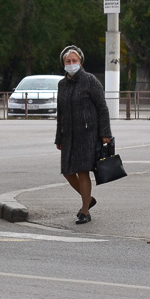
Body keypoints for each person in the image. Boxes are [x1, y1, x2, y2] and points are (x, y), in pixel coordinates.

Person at [54, 45, 113, 225]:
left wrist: (105, 133)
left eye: (74, 61)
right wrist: (58, 137)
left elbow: (102, 108)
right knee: (67, 172)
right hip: (68, 135)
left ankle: (85, 211)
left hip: (87, 134)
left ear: (80, 62)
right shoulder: (62, 84)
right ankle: (88, 198)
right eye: (68, 61)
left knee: (82, 171)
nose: (71, 64)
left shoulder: (90, 81)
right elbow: (60, 112)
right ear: (63, 63)